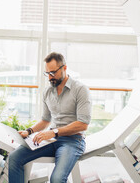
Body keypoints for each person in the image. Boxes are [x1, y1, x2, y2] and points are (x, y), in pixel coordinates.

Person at [8, 52, 92, 183]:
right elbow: (45, 120)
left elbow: (83, 124)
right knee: (14, 158)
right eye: (47, 73)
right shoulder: (47, 92)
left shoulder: (80, 90)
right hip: (51, 139)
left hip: (73, 140)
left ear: (64, 68)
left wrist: (53, 132)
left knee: (57, 179)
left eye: (53, 73)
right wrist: (28, 131)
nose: (50, 77)